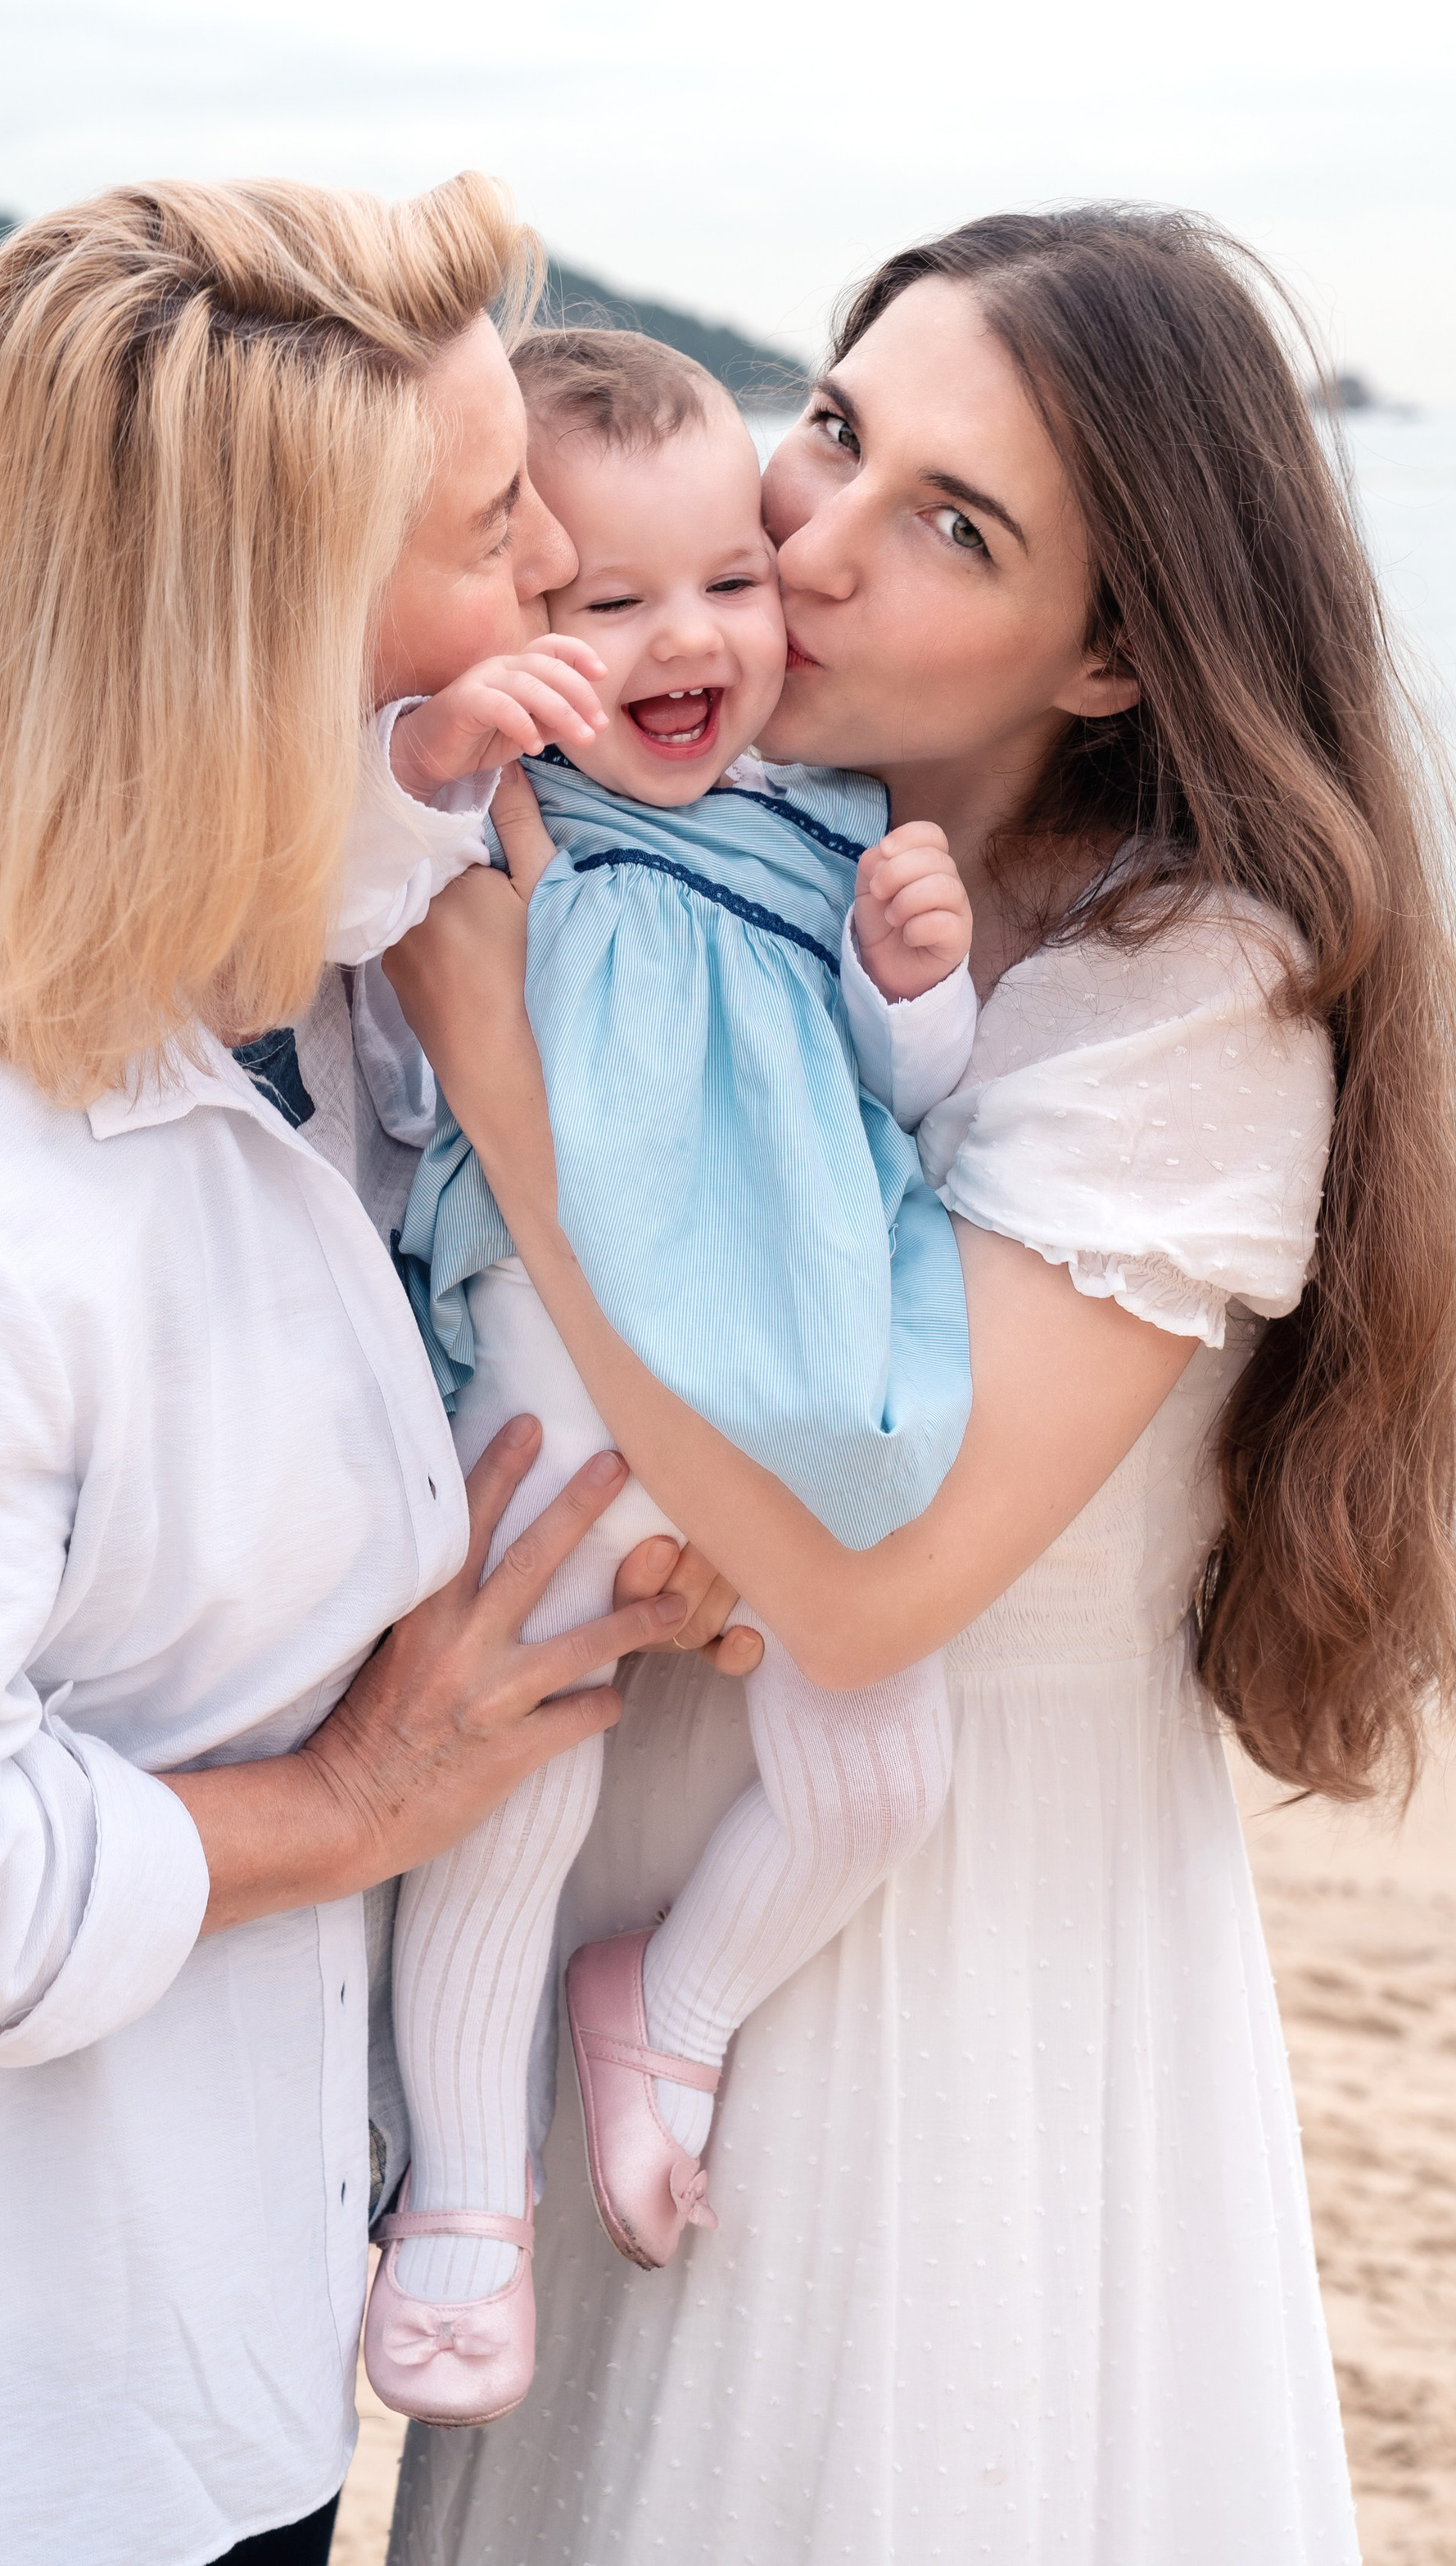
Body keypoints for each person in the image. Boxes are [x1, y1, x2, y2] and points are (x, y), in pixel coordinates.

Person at [0, 174, 703, 2566]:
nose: (563, 580)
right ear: (265, 646)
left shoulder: (264, 937)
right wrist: (367, 1800)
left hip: (203, 2303)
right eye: (503, 532)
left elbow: (386, 843)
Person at [381, 207, 1456, 2565]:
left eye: (950, 523)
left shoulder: (1187, 992)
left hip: (952, 1964)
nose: (807, 540)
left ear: (1108, 654)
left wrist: (508, 1095)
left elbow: (870, 1593)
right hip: (655, 1831)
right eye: (835, 426)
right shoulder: (734, 844)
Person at [361, 329, 975, 2426]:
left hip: (787, 1397)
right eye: (595, 603)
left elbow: (902, 1113)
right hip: (551, 1424)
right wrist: (438, 743)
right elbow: (350, 920)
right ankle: (461, 2197)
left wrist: (916, 983)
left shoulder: (818, 822)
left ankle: (675, 2009)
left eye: (725, 576)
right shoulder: (495, 814)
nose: (682, 639)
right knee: (503, 1794)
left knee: (885, 1767)